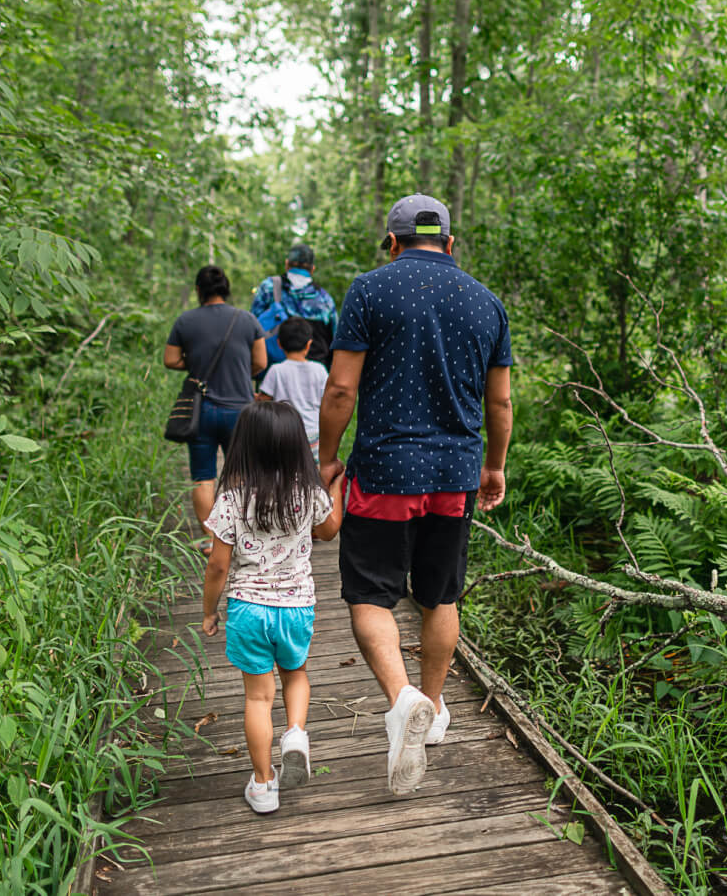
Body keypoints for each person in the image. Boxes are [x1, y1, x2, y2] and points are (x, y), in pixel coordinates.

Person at [317, 193, 513, 795]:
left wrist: (326, 458)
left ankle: (401, 699)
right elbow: (500, 402)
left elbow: (342, 390)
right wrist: (494, 466)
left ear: (393, 241)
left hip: (384, 470)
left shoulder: (369, 291)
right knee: (440, 592)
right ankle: (432, 704)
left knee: (371, 595)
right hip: (455, 473)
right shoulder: (487, 303)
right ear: (449, 243)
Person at [200, 401, 346, 814]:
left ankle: (264, 785)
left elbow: (218, 564)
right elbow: (330, 529)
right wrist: (334, 484)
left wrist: (209, 611)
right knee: (296, 675)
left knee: (258, 699)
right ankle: (296, 733)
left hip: (248, 608)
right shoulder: (306, 490)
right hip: (296, 606)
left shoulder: (231, 497)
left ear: (243, 445)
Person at [164, 265, 268, 536]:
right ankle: (237, 535)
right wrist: (243, 371)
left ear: (199, 290)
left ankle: (211, 539)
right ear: (226, 289)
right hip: (240, 411)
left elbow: (170, 359)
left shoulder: (185, 321)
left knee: (203, 476)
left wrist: (194, 361)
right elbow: (261, 361)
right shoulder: (246, 320)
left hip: (202, 410)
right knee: (240, 476)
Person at [251, 244, 337, 370]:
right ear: (312, 269)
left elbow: (252, 326)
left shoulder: (269, 287)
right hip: (316, 375)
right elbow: (335, 340)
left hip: (274, 372)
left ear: (287, 264)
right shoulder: (325, 299)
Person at [257, 316, 330, 461]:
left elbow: (264, 401)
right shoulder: (320, 370)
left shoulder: (276, 370)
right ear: (309, 344)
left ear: (279, 344)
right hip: (313, 434)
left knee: (284, 474)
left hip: (283, 435)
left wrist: (257, 398)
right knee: (312, 475)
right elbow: (327, 402)